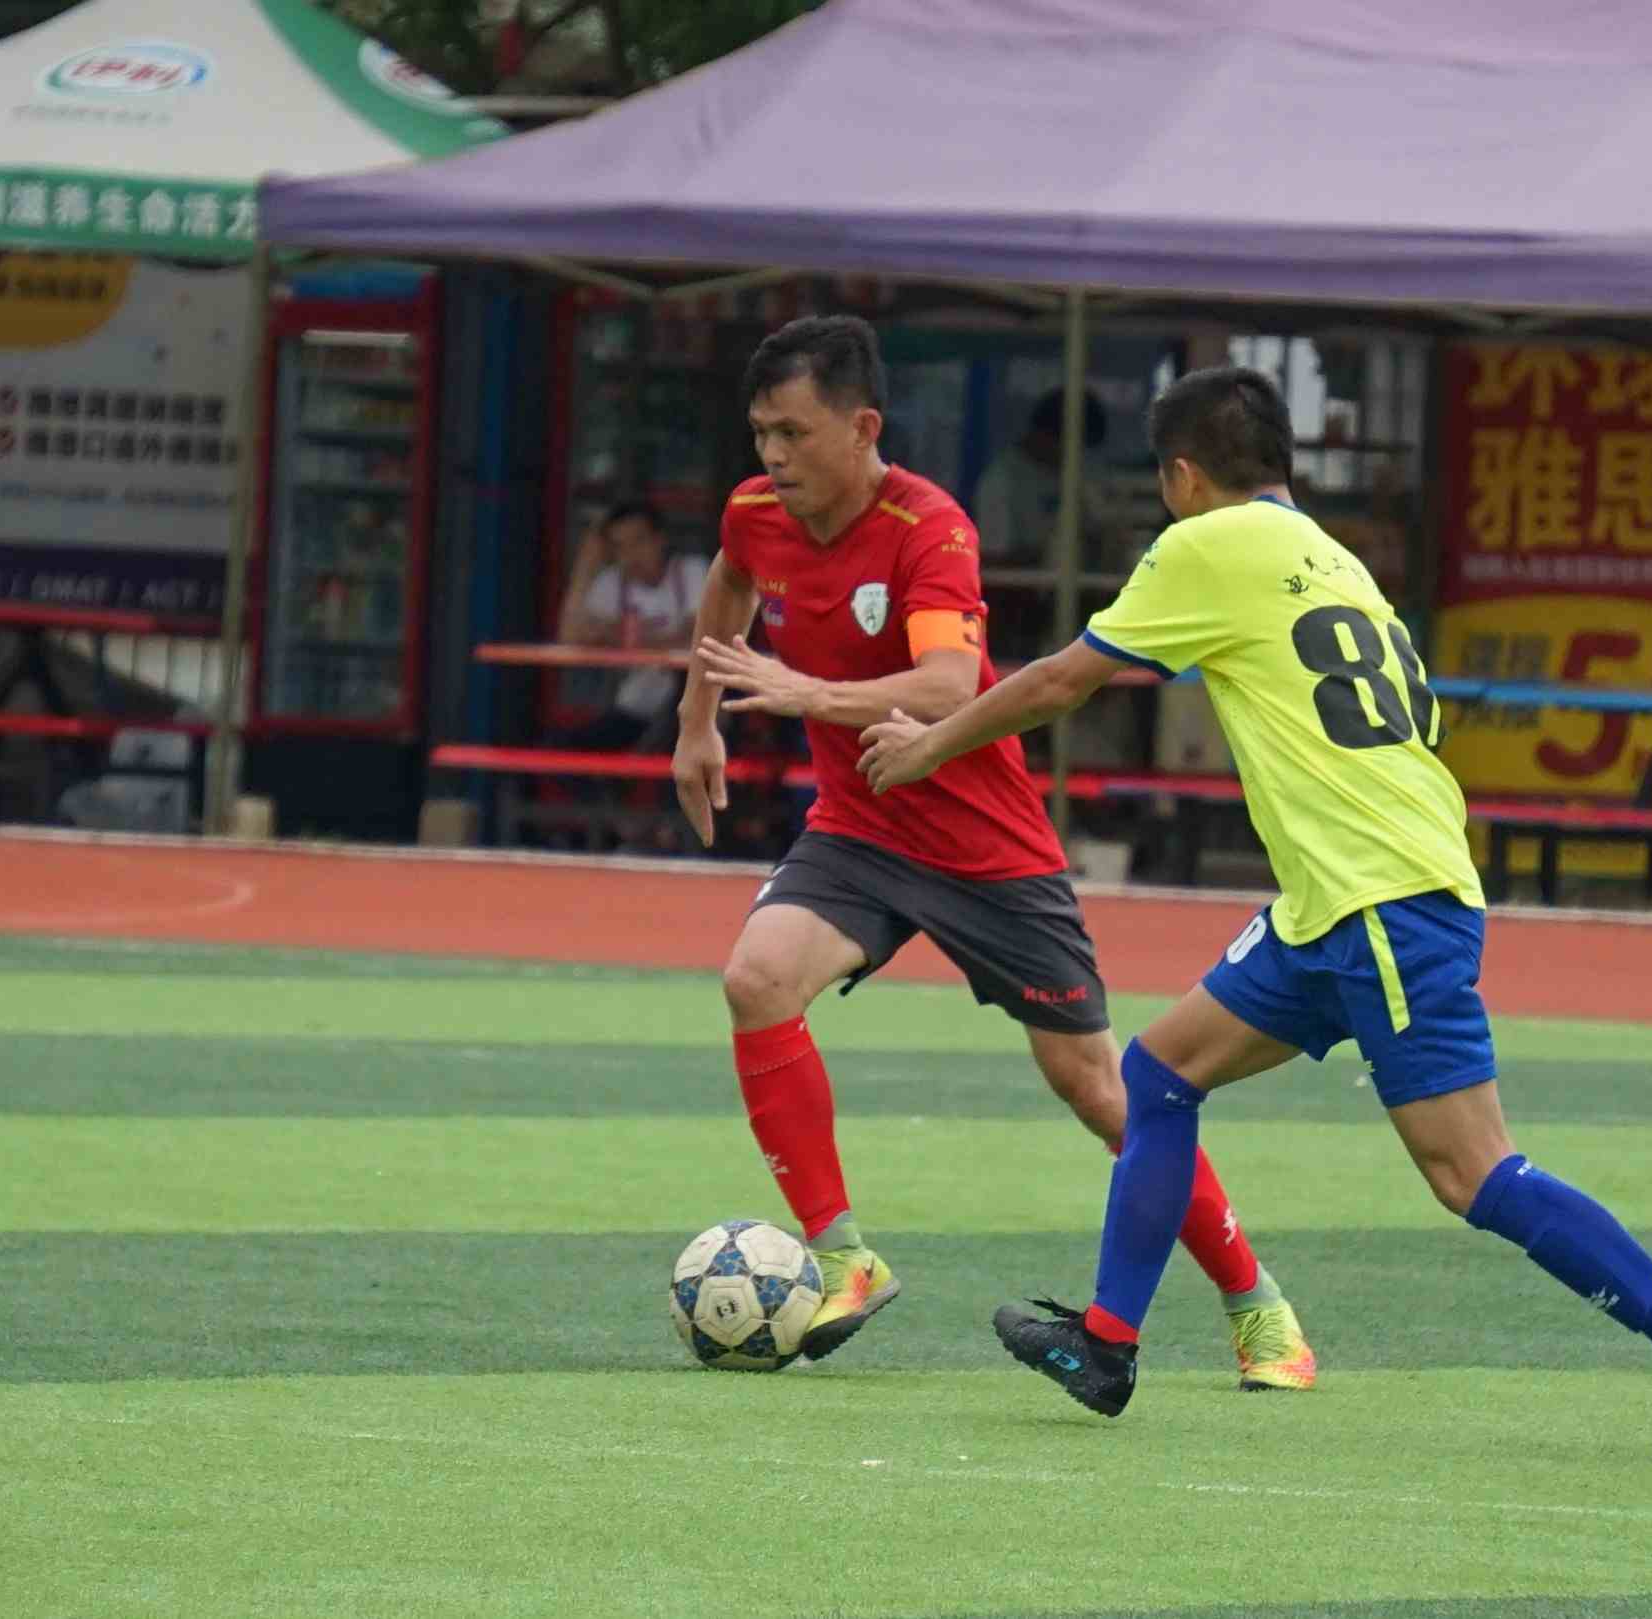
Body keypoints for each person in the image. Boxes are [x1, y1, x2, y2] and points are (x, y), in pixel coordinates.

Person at [859, 366, 1652, 1462]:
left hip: (1383, 901)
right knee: (1158, 1073)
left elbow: (1063, 680)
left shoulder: (1208, 543)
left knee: (1470, 1171)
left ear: (1182, 476)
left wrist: (928, 746)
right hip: (1335, 902)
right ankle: (1105, 1345)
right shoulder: (1334, 559)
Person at [674, 317, 1317, 1387]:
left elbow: (944, 687)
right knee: (756, 978)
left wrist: (806, 693)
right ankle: (842, 1255)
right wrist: (699, 719)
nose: (773, 456)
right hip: (861, 824)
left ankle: (1259, 1306)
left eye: (793, 432)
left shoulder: (930, 528)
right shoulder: (756, 511)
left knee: (1098, 1089)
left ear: (862, 427)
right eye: (761, 433)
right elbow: (732, 581)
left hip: (986, 846)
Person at [557, 500, 707, 752]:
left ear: (660, 539)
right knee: (564, 748)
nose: (630, 554)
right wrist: (585, 567)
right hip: (636, 707)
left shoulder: (691, 571)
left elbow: (700, 637)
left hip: (693, 708)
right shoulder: (611, 582)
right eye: (619, 546)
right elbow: (569, 636)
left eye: (639, 542)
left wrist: (614, 634)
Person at [972, 388, 1109, 566]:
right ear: (1045, 437)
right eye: (1072, 447)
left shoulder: (1072, 476)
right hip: (1026, 582)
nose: (1075, 456)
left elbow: (1096, 527)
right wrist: (1046, 554)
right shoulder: (1001, 481)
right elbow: (993, 561)